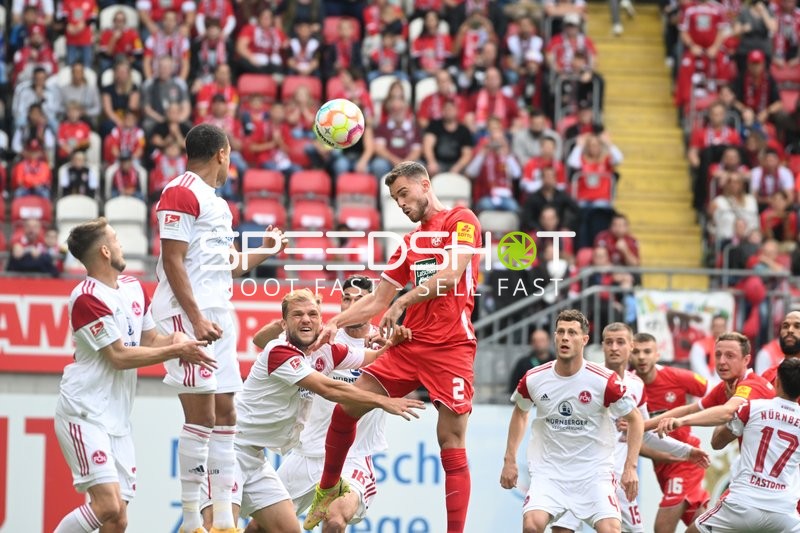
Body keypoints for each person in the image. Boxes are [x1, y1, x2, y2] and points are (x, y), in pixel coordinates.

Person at [304, 161, 482, 533]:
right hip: (409, 345)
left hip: (451, 348)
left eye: (403, 193)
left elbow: (451, 276)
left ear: (425, 185)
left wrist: (402, 303)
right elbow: (378, 299)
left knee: (450, 441)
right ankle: (326, 489)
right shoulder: (409, 244)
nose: (400, 203)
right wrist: (334, 323)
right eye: (394, 198)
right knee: (346, 407)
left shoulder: (461, 220)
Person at [152, 123, 288, 533]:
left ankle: (225, 521)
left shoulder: (217, 204)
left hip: (218, 314)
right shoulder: (180, 192)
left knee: (228, 413)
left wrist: (264, 251)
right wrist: (195, 319)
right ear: (222, 154)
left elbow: (227, 264)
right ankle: (193, 521)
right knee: (202, 414)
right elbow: (172, 260)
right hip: (188, 313)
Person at [199, 288, 422, 532]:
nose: (306, 319)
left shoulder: (327, 351)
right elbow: (328, 388)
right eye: (298, 315)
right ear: (284, 324)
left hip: (255, 458)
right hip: (229, 450)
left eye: (312, 314)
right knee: (220, 528)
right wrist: (382, 401)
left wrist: (395, 344)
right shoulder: (279, 351)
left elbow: (376, 356)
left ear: (321, 320)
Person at [53, 218, 213, 533]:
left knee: (118, 519)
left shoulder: (132, 287)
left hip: (118, 421)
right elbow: (119, 357)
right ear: (104, 251)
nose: (120, 244)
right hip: (84, 413)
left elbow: (150, 340)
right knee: (106, 506)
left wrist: (179, 339)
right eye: (115, 239)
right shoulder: (87, 298)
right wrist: (176, 352)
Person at [247, 278, 390, 531]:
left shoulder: (383, 343)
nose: (351, 304)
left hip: (352, 455)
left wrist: (394, 344)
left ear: (372, 305)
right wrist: (287, 320)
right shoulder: (322, 336)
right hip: (307, 450)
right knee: (259, 527)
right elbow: (259, 340)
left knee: (334, 520)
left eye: (360, 300)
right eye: (347, 298)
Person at [552, 323, 710, 533]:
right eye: (609, 342)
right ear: (603, 347)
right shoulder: (585, 377)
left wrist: (687, 451)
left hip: (620, 480)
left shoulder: (636, 385)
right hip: (581, 475)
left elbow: (644, 433)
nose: (614, 348)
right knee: (558, 529)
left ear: (630, 346)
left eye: (620, 342)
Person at [499, 310, 645, 533]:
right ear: (555, 336)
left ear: (584, 340)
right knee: (531, 525)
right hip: (550, 473)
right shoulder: (534, 378)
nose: (565, 337)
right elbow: (520, 412)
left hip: (593, 474)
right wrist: (509, 460)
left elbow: (635, 420)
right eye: (560, 332)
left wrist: (630, 467)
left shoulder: (604, 381)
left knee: (611, 530)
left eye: (572, 333)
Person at [658, 358, 800, 533]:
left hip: (743, 504)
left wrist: (730, 404)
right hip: (784, 512)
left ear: (776, 382)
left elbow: (717, 442)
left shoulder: (752, 407)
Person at [631, 333, 710, 533]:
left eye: (647, 351)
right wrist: (658, 456)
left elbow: (710, 392)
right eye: (636, 352)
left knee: (662, 528)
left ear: (657, 354)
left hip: (686, 460)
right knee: (699, 521)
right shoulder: (628, 386)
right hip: (662, 465)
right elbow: (628, 436)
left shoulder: (677, 376)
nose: (642, 357)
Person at [650, 332, 776, 452]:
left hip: (777, 470)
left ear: (746, 360)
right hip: (758, 467)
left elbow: (726, 412)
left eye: (730, 356)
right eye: (718, 355)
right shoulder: (727, 386)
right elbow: (715, 442)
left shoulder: (753, 385)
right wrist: (641, 426)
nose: (721, 361)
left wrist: (681, 422)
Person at [507, 330, 555, 394]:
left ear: (548, 341)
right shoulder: (523, 363)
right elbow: (514, 387)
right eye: (535, 341)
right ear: (531, 343)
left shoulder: (556, 363)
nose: (538, 344)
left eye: (542, 340)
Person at [688, 315, 727, 386]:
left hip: (723, 386)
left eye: (721, 326)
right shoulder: (699, 346)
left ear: (725, 328)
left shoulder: (731, 347)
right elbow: (699, 368)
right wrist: (712, 385)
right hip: (704, 386)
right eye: (716, 326)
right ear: (711, 327)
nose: (719, 329)